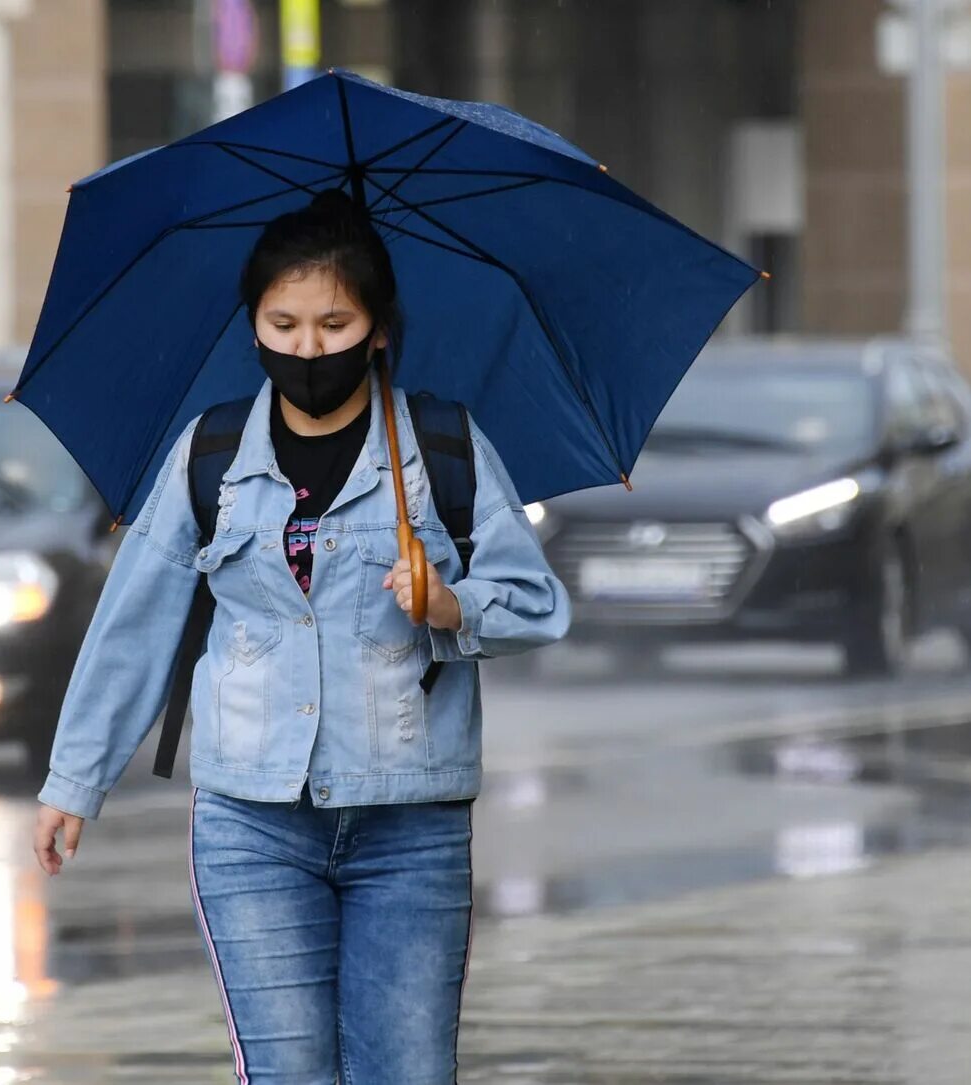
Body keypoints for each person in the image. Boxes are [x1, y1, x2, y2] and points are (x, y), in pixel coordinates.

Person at [30, 189, 570, 1084]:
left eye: (333, 322)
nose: (308, 348)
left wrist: (452, 606)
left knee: (406, 1071)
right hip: (252, 821)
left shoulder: (440, 449)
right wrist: (74, 780)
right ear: (254, 326)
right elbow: (136, 624)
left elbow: (539, 603)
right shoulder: (209, 457)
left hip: (410, 821)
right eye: (283, 323)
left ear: (379, 329)